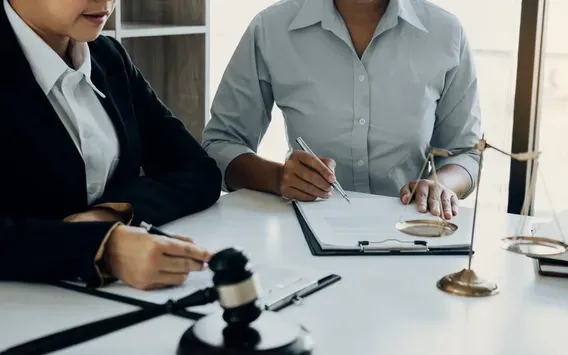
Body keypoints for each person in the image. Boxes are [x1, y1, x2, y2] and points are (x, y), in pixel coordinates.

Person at [0, 0, 222, 290]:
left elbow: (197, 169)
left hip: (112, 301)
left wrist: (109, 213)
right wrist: (103, 248)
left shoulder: (108, 55)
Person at [203, 0, 482, 220]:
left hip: (411, 229)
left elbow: (465, 152)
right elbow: (221, 144)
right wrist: (277, 178)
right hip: (304, 232)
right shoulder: (270, 28)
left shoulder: (446, 32)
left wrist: (441, 185)